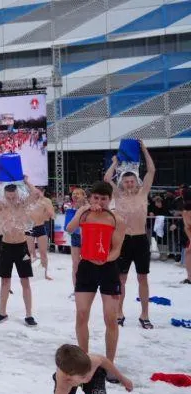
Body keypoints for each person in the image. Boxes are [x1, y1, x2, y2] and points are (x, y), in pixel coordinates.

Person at [65, 182, 125, 365]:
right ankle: (83, 360)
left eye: (104, 199)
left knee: (110, 317)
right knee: (82, 313)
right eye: (96, 198)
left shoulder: (116, 219)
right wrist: (83, 210)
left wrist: (106, 259)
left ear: (110, 200)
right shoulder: (85, 213)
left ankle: (109, 362)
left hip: (108, 269)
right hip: (86, 268)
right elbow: (69, 228)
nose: (99, 202)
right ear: (90, 198)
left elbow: (117, 250)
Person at [104, 141, 155, 329]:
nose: (129, 183)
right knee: (121, 278)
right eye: (126, 181)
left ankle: (144, 314)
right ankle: (119, 312)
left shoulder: (143, 194)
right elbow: (107, 178)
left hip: (141, 240)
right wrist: (115, 162)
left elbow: (151, 171)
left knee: (143, 278)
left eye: (132, 180)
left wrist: (144, 149)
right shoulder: (118, 195)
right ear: (122, 183)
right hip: (124, 240)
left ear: (136, 181)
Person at [0, 178, 41, 326]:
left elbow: (36, 194)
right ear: (5, 196)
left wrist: (26, 181)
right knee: (5, 280)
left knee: (25, 280)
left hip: (21, 247)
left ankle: (29, 314)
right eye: (9, 197)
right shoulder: (1, 206)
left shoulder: (23, 204)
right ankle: (2, 312)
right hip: (6, 246)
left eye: (13, 196)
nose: (12, 200)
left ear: (17, 194)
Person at [26, 188, 56, 280]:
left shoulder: (46, 201)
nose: (37, 193)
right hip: (29, 227)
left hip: (40, 226)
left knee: (43, 252)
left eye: (40, 191)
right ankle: (27, 272)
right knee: (29, 251)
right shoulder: (28, 199)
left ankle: (45, 273)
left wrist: (45, 206)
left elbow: (52, 215)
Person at [68, 188, 88, 292]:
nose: (75, 196)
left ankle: (87, 287)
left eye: (78, 194)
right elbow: (68, 226)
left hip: (88, 237)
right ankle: (76, 288)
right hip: (75, 236)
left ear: (84, 195)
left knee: (88, 263)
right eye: (74, 194)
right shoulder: (70, 207)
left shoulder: (88, 207)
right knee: (75, 263)